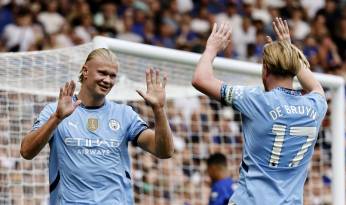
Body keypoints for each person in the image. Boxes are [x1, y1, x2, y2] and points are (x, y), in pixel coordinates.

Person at [192, 17, 327, 205]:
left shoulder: (257, 100)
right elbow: (315, 86)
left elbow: (200, 79)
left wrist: (212, 48)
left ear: (265, 70)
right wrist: (289, 49)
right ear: (294, 68)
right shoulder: (316, 105)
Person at [20, 48, 174, 204]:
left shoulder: (124, 114)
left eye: (112, 76)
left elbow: (164, 151)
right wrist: (57, 118)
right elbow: (26, 151)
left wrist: (159, 110)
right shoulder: (55, 110)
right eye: (102, 73)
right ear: (85, 71)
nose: (107, 80)